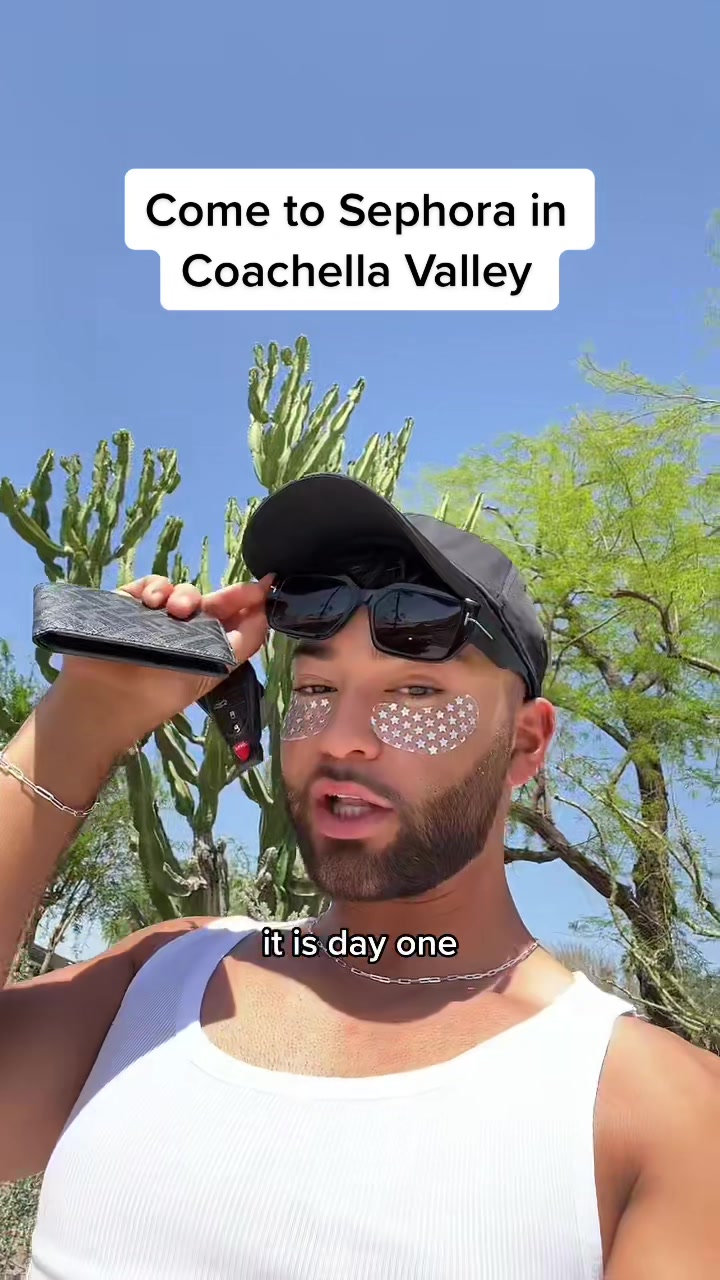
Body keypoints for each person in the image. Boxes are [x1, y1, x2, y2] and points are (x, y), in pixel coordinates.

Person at [0, 473, 717, 1280]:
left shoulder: (662, 1112)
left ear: (525, 744)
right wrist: (87, 715)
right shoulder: (161, 979)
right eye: (316, 687)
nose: (343, 737)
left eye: (414, 691)